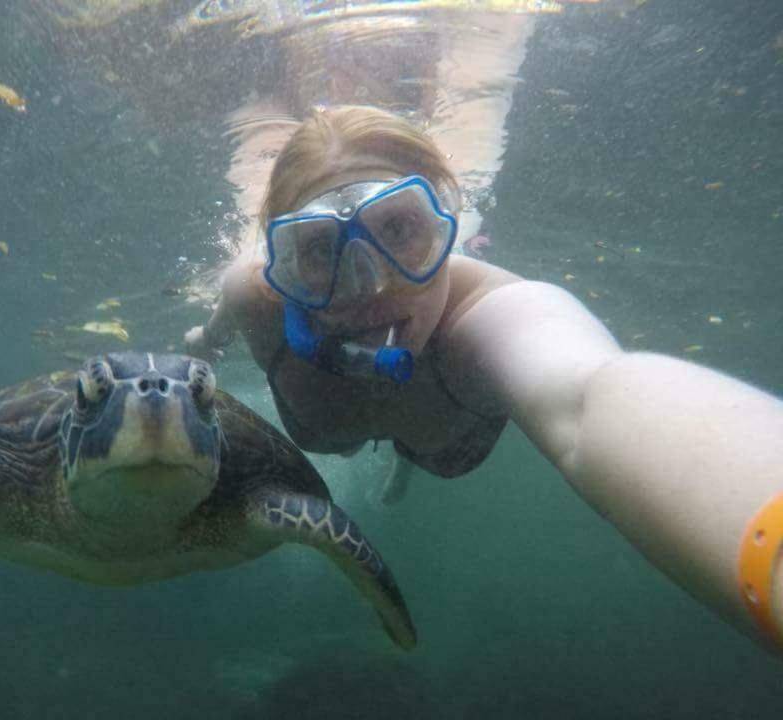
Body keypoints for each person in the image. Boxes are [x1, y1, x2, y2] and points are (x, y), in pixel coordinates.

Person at [185, 104, 783, 655]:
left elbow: (591, 398)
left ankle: (405, 458)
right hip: (418, 426)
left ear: (446, 223)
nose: (369, 285)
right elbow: (212, 332)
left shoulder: (488, 320)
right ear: (281, 262)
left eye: (397, 229)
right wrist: (202, 344)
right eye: (318, 248)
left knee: (420, 447)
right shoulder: (255, 297)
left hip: (440, 443)